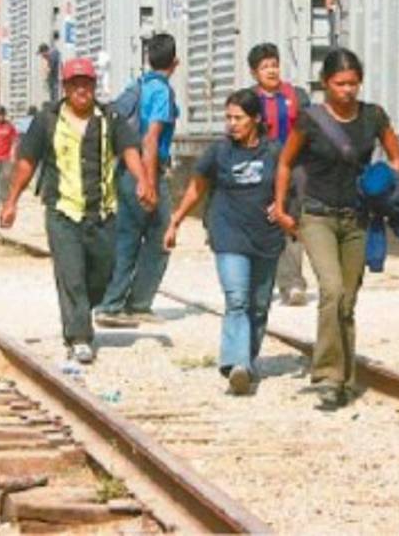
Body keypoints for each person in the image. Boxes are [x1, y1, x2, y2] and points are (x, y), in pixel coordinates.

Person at [274, 48, 399, 409]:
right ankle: (329, 375)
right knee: (331, 290)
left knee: (347, 300)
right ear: (325, 83)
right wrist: (281, 207)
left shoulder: (373, 116)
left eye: (353, 83)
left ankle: (345, 378)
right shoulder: (310, 120)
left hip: (358, 217)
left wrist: (386, 183)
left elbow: (396, 157)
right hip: (317, 215)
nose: (347, 90)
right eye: (340, 83)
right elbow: (285, 163)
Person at [0, 57, 151, 364]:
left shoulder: (110, 118)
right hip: (63, 212)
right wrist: (12, 200)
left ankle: (83, 310)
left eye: (86, 84)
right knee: (71, 275)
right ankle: (79, 336)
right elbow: (27, 161)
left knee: (103, 274)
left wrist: (143, 180)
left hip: (103, 213)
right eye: (75, 84)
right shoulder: (47, 120)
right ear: (65, 88)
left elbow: (129, 149)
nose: (81, 90)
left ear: (94, 87)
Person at [165, 89, 285, 394]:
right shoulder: (219, 152)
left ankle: (248, 359)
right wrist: (176, 220)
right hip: (228, 232)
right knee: (237, 299)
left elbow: (293, 186)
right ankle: (236, 364)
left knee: (259, 305)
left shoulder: (274, 151)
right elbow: (196, 188)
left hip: (266, 236)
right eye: (228, 118)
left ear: (256, 119)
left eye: (238, 118)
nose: (232, 124)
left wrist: (284, 207)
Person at [96, 33, 180, 328]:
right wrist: (149, 182)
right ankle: (135, 303)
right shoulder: (161, 91)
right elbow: (151, 138)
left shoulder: (137, 85)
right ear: (176, 62)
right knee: (162, 235)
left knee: (127, 237)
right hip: (147, 170)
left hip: (125, 169)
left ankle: (113, 303)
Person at [248, 42, 311, 306]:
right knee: (262, 222)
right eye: (265, 67)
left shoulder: (297, 96)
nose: (271, 71)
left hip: (294, 168)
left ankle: (293, 283)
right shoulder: (248, 100)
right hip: (262, 167)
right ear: (254, 72)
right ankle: (256, 282)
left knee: (291, 221)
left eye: (274, 65)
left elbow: (310, 129)